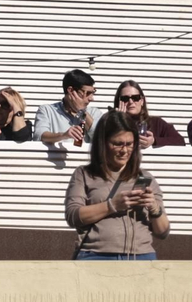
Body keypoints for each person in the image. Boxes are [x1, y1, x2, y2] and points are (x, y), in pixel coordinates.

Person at [64, 110, 171, 260]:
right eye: (118, 144)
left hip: (140, 256)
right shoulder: (84, 174)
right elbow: (73, 216)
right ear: (103, 143)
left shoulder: (145, 178)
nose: (124, 150)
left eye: (129, 144)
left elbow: (163, 232)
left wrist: (154, 208)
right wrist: (112, 205)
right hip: (96, 256)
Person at [36, 69, 103, 146]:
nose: (91, 98)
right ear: (71, 91)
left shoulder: (94, 113)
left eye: (93, 92)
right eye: (87, 93)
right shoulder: (47, 110)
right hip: (57, 157)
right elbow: (39, 136)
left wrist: (82, 111)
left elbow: (102, 138)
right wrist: (63, 135)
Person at [113, 79, 184, 148]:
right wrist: (119, 121)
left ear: (142, 101)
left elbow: (180, 141)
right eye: (125, 98)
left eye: (135, 97)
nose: (131, 102)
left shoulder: (156, 123)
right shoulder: (109, 124)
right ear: (118, 102)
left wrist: (154, 141)